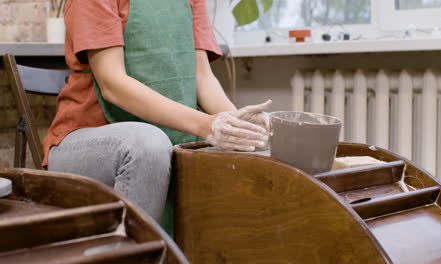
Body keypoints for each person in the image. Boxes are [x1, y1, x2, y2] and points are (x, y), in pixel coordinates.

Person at [42, 0, 271, 236]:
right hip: (89, 141)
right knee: (148, 145)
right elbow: (112, 84)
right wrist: (206, 125)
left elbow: (202, 77)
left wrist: (239, 125)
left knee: (255, 146)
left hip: (171, 137)